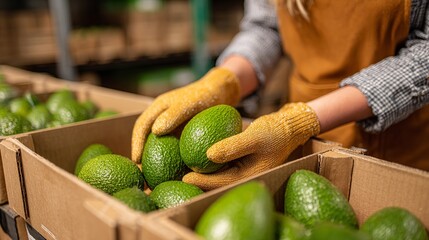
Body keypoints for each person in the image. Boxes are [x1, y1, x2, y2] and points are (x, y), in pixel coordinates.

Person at [131, 0, 429, 190]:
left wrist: (299, 121)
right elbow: (267, 27)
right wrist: (223, 81)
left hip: (398, 140)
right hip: (303, 143)